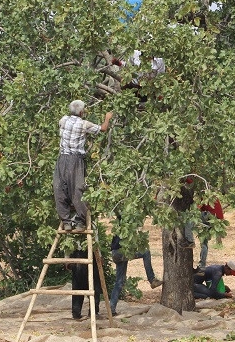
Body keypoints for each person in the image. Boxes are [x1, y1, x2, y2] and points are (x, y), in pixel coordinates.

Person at [52, 100, 112, 231]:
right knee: (78, 189)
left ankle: (66, 221)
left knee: (59, 188)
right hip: (76, 160)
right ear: (81, 112)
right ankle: (80, 221)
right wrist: (107, 118)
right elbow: (103, 129)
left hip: (62, 159)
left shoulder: (63, 120)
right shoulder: (84, 124)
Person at [109, 232, 163, 316]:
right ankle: (152, 279)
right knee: (146, 252)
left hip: (115, 253)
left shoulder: (119, 225)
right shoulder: (128, 224)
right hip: (122, 252)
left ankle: (111, 309)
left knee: (119, 282)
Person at [69, 249, 102, 320]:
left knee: (78, 286)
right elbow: (96, 244)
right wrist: (100, 257)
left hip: (77, 256)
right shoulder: (91, 237)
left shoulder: (72, 239)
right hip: (88, 255)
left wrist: (67, 259)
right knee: (94, 286)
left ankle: (76, 313)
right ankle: (93, 312)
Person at [198, 199, 225, 269]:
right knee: (204, 243)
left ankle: (188, 238)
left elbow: (198, 208)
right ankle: (202, 265)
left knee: (191, 217)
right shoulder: (214, 197)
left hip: (209, 217)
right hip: (215, 221)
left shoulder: (204, 196)